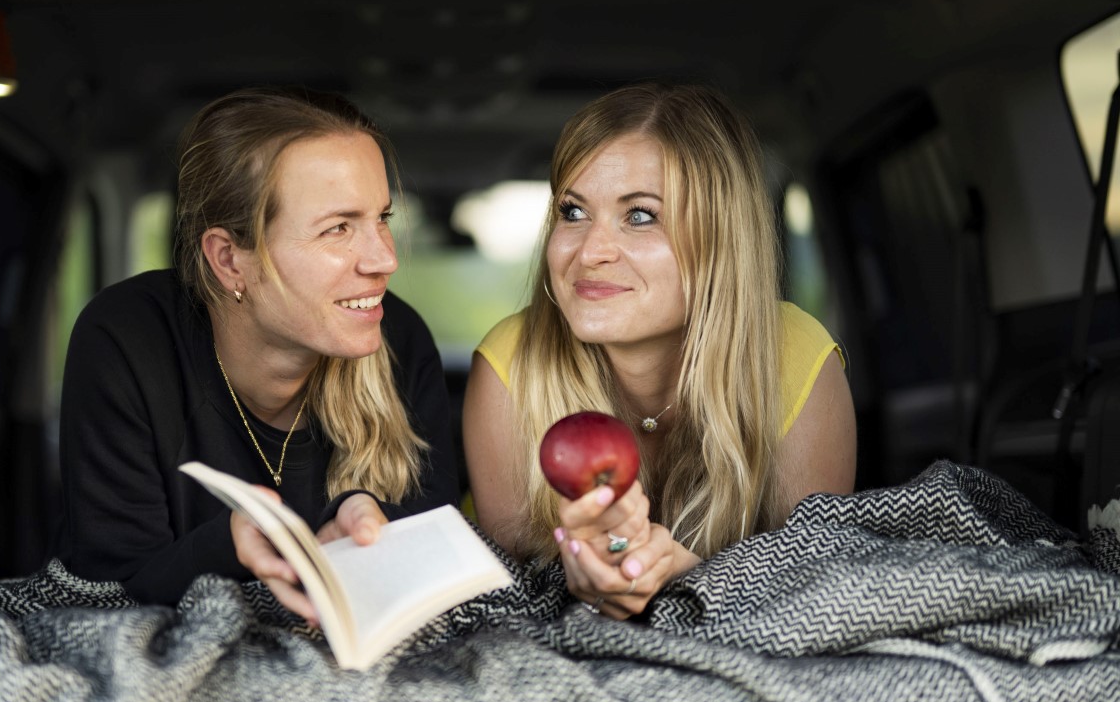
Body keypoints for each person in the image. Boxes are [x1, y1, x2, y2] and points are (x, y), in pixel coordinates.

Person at [56, 86, 458, 620]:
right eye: (338, 228)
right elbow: (107, 597)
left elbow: (439, 564)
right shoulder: (126, 339)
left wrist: (364, 525)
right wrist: (228, 544)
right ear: (228, 259)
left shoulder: (398, 337)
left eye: (382, 217)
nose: (385, 258)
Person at [463, 83, 856, 619]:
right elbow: (508, 601)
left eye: (640, 215)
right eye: (573, 212)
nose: (591, 252)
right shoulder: (511, 364)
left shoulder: (795, 357)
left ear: (719, 238)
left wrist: (693, 581)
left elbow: (810, 593)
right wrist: (577, 581)